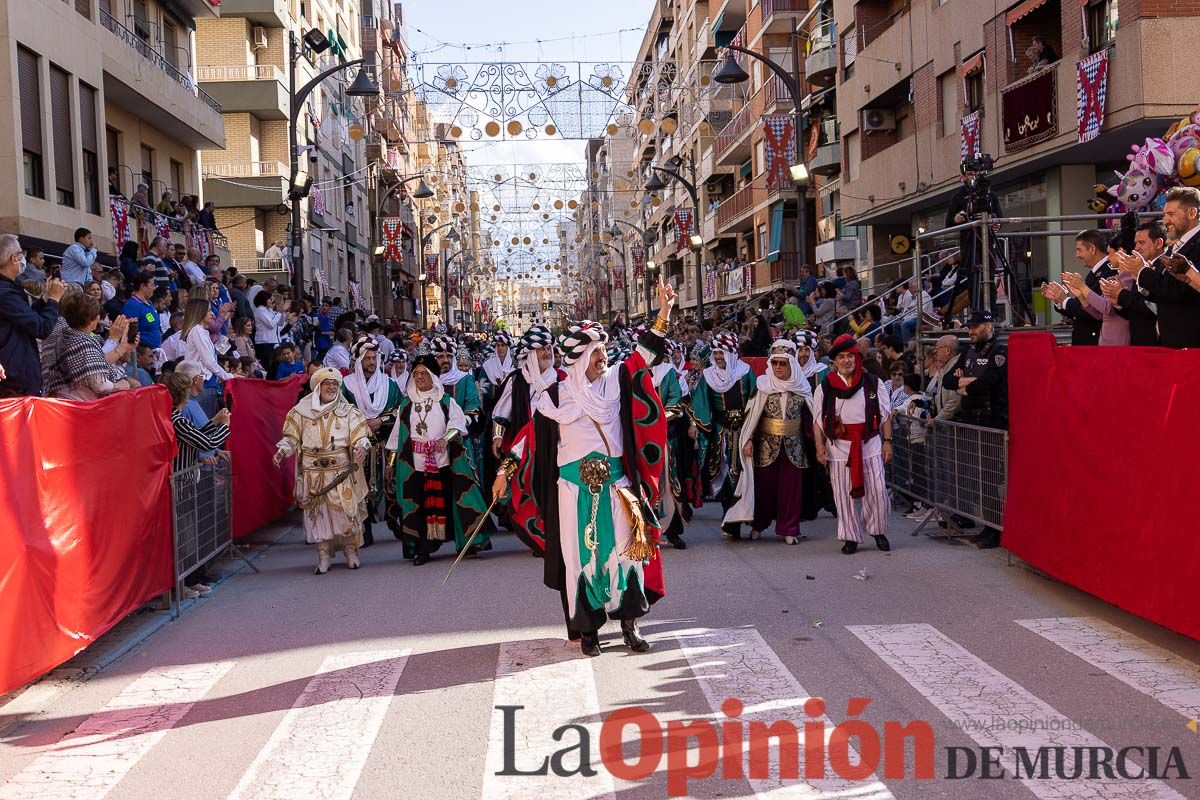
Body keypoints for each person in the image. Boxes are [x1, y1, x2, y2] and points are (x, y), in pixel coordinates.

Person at [494, 277, 675, 657]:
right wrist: (503, 472)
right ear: (578, 359)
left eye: (603, 351)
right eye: (595, 352)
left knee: (625, 554)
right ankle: (589, 631)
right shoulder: (554, 398)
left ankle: (629, 625)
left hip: (617, 484)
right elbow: (526, 441)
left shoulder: (616, 382)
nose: (602, 357)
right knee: (584, 560)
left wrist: (664, 312)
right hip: (572, 491)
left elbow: (644, 356)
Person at [385, 354, 491, 565]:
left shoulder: (445, 401)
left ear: (433, 376)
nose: (420, 377)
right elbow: (396, 437)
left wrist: (446, 438)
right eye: (416, 374)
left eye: (424, 373)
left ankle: (458, 540)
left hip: (442, 461)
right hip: (415, 464)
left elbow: (459, 423)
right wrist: (390, 464)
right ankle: (423, 547)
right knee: (420, 506)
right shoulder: (406, 405)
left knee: (445, 503)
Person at [274, 368, 371, 573]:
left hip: (340, 473)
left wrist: (362, 446)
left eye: (335, 384)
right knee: (318, 516)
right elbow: (291, 438)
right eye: (327, 384)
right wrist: (283, 450)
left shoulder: (348, 411)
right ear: (318, 386)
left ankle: (350, 551)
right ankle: (323, 556)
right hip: (313, 474)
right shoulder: (300, 412)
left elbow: (360, 435)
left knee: (345, 513)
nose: (332, 387)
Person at [724, 339, 815, 545]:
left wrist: (818, 443)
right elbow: (752, 416)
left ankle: (788, 528)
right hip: (766, 446)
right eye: (775, 363)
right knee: (764, 488)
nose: (778, 368)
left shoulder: (802, 388)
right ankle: (758, 524)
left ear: (791, 364)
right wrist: (748, 440)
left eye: (783, 363)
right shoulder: (763, 386)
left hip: (795, 446)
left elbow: (811, 419)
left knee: (791, 490)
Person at [813, 334, 894, 555]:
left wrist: (887, 442)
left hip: (869, 443)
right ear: (835, 361)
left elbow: (885, 416)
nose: (847, 360)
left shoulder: (873, 382)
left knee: (878, 491)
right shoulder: (825, 387)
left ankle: (877, 530)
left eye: (850, 356)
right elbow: (818, 422)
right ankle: (850, 536)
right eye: (842, 357)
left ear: (857, 358)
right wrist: (819, 447)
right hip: (838, 447)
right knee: (842, 495)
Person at [1112, 186, 1200, 348]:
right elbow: (1163, 296)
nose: (1165, 220)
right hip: (1172, 344)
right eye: (1165, 214)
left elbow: (1180, 290)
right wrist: (1140, 279)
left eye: (1171, 214)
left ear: (1192, 213)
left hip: (1192, 344)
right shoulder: (1176, 247)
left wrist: (1141, 272)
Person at [689, 331, 757, 538]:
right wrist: (695, 424)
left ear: (732, 353)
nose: (718, 357)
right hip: (719, 432)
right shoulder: (709, 376)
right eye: (716, 353)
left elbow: (755, 402)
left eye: (722, 353)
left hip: (743, 429)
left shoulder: (745, 372)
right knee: (725, 473)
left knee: (742, 475)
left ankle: (739, 518)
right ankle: (729, 518)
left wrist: (752, 433)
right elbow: (699, 402)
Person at [343, 336, 403, 548]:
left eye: (373, 358)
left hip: (386, 443)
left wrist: (380, 420)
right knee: (361, 487)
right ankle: (365, 530)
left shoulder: (389, 385)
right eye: (367, 358)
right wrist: (361, 424)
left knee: (392, 484)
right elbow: (342, 413)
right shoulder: (346, 386)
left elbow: (399, 410)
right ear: (358, 361)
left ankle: (397, 524)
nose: (371, 362)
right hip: (358, 445)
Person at [0, 236, 65, 397]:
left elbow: (25, 318)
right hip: (14, 382)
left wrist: (45, 299)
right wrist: (54, 300)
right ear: (14, 259)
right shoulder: (5, 292)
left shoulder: (10, 288)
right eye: (21, 254)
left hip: (19, 375)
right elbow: (41, 327)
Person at [53, 293, 138, 400]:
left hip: (65, 402)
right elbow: (100, 385)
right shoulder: (83, 342)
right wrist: (120, 386)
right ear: (91, 318)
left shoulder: (64, 335)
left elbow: (97, 363)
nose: (99, 317)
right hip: (79, 406)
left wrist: (121, 347)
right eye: (97, 313)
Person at [651, 339, 692, 549]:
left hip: (667, 435)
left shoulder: (668, 373)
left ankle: (674, 531)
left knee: (670, 483)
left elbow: (676, 401)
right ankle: (650, 533)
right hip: (644, 439)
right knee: (647, 485)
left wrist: (658, 419)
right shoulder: (637, 372)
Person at [429, 334, 484, 479]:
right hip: (430, 440)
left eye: (449, 356)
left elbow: (473, 407)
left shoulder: (464, 379)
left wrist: (458, 425)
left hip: (459, 439)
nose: (445, 360)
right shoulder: (428, 380)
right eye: (441, 356)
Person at [1042, 229, 1111, 346]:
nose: (1077, 255)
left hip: (1095, 344)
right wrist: (1058, 298)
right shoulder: (1095, 273)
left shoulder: (1108, 272)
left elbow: (1095, 311)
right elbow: (1082, 307)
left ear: (1092, 249)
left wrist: (1064, 300)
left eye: (1079, 250)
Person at [942, 310, 1008, 430]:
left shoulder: (999, 351)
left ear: (988, 326)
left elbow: (986, 382)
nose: (971, 331)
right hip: (968, 420)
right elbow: (946, 380)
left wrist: (962, 388)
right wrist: (968, 381)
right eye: (969, 327)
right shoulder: (968, 350)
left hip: (991, 421)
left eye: (975, 327)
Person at [1103, 220, 1162, 347]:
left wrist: (1122, 294)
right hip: (1139, 344)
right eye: (1136, 243)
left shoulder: (1164, 268)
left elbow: (1155, 308)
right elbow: (1134, 312)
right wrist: (1117, 302)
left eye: (1141, 243)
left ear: (1158, 243)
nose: (1136, 248)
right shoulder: (1139, 268)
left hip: (1157, 344)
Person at [182, 296, 233, 416]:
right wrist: (228, 376)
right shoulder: (197, 331)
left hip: (207, 382)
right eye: (209, 310)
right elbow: (209, 361)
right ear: (200, 313)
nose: (213, 314)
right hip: (203, 384)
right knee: (206, 423)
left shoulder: (202, 331)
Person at [122, 272, 162, 348]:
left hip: (154, 351)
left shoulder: (149, 303)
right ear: (143, 286)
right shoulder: (132, 305)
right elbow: (130, 333)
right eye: (152, 285)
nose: (154, 288)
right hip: (141, 352)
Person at [252, 291, 284, 376]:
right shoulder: (260, 310)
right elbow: (271, 324)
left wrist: (281, 311)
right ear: (264, 299)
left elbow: (280, 323)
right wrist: (279, 313)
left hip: (272, 341)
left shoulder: (269, 310)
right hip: (264, 342)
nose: (272, 301)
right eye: (270, 299)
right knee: (268, 366)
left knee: (275, 366)